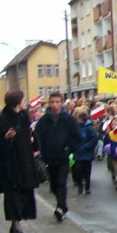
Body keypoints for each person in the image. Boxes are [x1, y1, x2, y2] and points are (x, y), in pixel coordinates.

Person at [0, 90, 39, 233]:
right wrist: (5, 137)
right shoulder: (3, 118)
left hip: (25, 161)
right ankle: (16, 225)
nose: (24, 101)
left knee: (23, 193)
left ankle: (15, 224)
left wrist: (34, 145)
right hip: (10, 163)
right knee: (13, 194)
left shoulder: (24, 115)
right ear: (17, 101)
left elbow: (30, 133)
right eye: (22, 99)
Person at [34, 92, 80, 221]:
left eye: (57, 102)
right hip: (49, 157)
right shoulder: (44, 120)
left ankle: (61, 208)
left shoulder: (68, 119)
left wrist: (69, 149)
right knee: (53, 185)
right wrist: (39, 149)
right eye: (52, 102)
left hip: (63, 156)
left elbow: (76, 136)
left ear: (61, 102)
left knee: (61, 182)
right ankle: (61, 205)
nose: (54, 105)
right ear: (49, 103)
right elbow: (37, 136)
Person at [72, 108, 99, 196]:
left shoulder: (89, 128)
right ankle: (80, 185)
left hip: (87, 153)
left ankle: (87, 187)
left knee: (87, 171)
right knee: (78, 170)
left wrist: (85, 147)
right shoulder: (75, 127)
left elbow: (94, 139)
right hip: (78, 153)